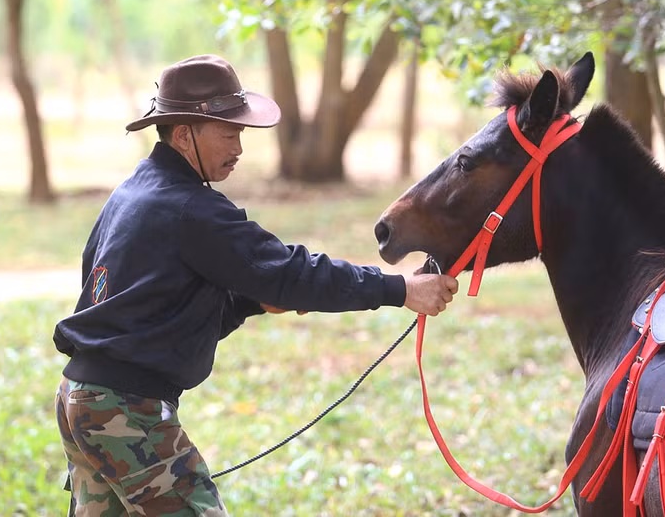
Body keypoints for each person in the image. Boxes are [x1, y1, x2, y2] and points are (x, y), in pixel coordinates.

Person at [52, 54, 458, 516]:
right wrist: (400, 289)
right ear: (184, 134)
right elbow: (291, 272)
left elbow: (152, 306)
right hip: (125, 410)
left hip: (80, 397)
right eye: (228, 133)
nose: (239, 147)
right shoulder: (193, 209)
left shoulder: (134, 193)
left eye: (239, 133)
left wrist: (253, 301)